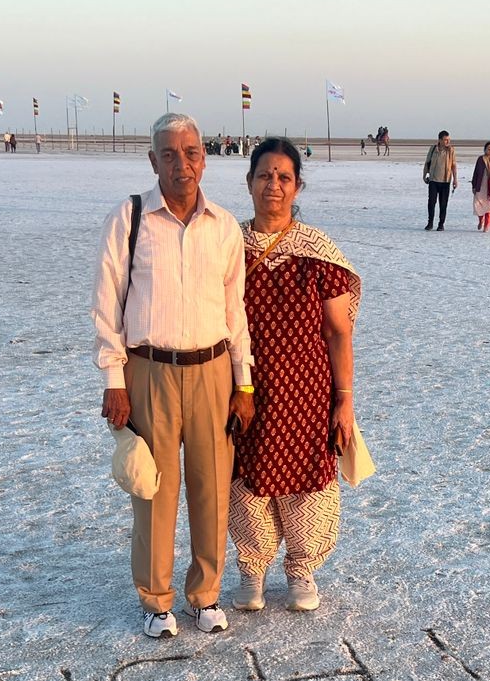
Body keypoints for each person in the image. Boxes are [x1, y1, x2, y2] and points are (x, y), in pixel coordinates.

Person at [92, 113, 254, 639]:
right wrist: (114, 379)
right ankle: (156, 600)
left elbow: (235, 311)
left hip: (213, 373)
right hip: (149, 371)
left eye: (191, 152)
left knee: (211, 489)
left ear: (204, 158)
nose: (181, 164)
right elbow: (107, 304)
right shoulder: (130, 217)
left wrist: (244, 383)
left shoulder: (224, 226)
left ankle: (205, 595)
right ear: (153, 161)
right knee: (153, 491)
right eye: (169, 154)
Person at [230, 138, 360, 614]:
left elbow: (338, 331)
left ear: (297, 186)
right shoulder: (227, 247)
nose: (274, 185)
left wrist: (344, 398)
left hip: (306, 389)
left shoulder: (317, 253)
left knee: (306, 478)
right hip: (244, 385)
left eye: (284, 177)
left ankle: (302, 569)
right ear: (249, 182)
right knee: (247, 476)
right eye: (265, 175)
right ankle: (251, 569)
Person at [423, 131, 457, 230]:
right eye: (445, 140)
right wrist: (424, 175)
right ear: (440, 140)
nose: (448, 142)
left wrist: (455, 179)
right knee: (431, 203)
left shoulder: (451, 150)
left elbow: (454, 165)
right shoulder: (433, 149)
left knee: (443, 204)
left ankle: (441, 224)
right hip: (433, 180)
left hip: (445, 181)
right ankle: (430, 223)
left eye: (448, 140)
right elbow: (427, 162)